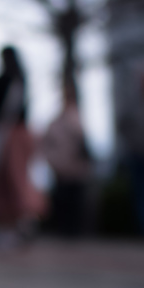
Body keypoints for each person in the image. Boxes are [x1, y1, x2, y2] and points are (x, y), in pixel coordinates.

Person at [40, 83, 92, 237]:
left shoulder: (76, 118)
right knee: (64, 202)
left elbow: (83, 144)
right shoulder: (58, 121)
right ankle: (65, 230)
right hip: (62, 168)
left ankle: (73, 231)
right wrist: (53, 161)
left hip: (74, 169)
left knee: (74, 202)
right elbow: (46, 143)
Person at [0, 110, 46, 247]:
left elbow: (15, 168)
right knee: (18, 185)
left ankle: (19, 224)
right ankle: (22, 224)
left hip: (16, 174)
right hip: (23, 176)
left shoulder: (13, 134)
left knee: (15, 186)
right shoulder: (25, 133)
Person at [117, 65, 144, 236]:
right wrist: (132, 142)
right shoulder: (133, 104)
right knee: (143, 195)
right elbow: (121, 125)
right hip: (139, 155)